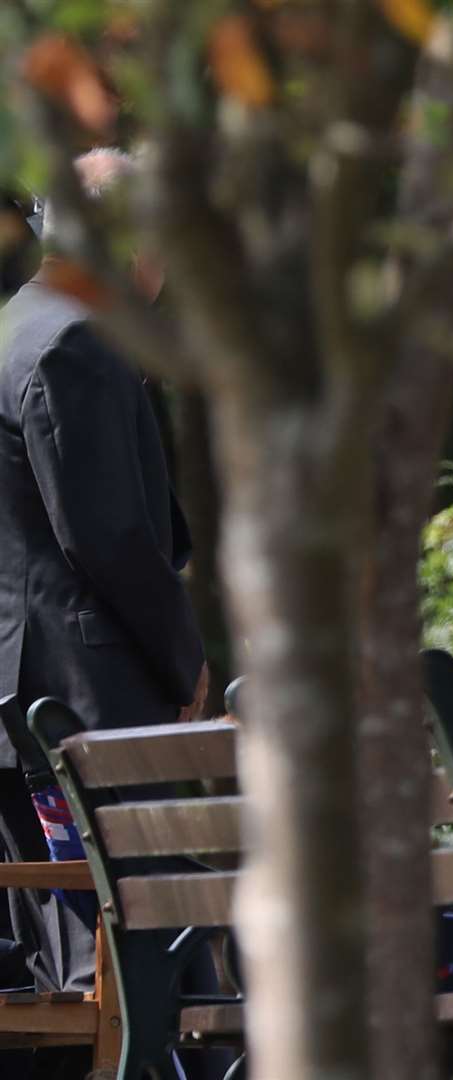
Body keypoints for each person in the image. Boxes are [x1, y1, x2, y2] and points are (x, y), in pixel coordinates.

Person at [0, 148, 207, 1008]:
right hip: (87, 698)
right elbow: (110, 536)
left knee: (58, 970)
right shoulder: (76, 337)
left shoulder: (17, 324)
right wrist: (186, 659)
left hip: (23, 692)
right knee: (133, 968)